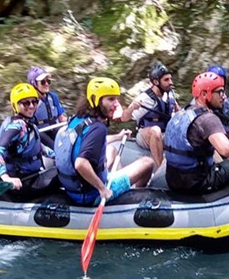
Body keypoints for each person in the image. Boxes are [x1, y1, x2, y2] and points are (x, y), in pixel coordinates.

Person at [163, 72, 229, 194]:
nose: (223, 96)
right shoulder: (208, 119)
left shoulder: (181, 114)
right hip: (197, 183)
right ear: (204, 94)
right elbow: (226, 149)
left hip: (173, 180)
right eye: (219, 92)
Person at [55, 77, 155, 206]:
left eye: (116, 99)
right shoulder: (98, 128)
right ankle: (134, 197)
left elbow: (89, 142)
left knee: (112, 150)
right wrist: (102, 189)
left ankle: (120, 183)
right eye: (110, 99)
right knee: (148, 162)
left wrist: (118, 136)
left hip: (76, 189)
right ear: (96, 100)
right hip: (93, 194)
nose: (116, 104)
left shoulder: (78, 120)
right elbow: (81, 163)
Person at [0, 83, 57, 197]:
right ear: (16, 105)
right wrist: (6, 177)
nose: (31, 106)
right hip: (23, 181)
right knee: (64, 175)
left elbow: (38, 147)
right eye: (25, 103)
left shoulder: (26, 122)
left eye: (34, 102)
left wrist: (58, 157)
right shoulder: (17, 126)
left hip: (32, 175)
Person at [117, 63, 179, 167]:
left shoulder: (170, 94)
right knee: (155, 130)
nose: (170, 82)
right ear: (156, 82)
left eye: (170, 79)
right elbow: (124, 118)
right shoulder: (145, 98)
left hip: (165, 134)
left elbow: (178, 112)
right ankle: (159, 168)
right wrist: (132, 108)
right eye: (166, 80)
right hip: (146, 135)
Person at [28, 66, 67, 149]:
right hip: (40, 133)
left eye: (48, 81)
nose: (46, 84)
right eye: (42, 82)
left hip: (55, 129)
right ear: (34, 84)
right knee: (57, 147)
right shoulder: (30, 102)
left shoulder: (53, 97)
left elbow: (61, 118)